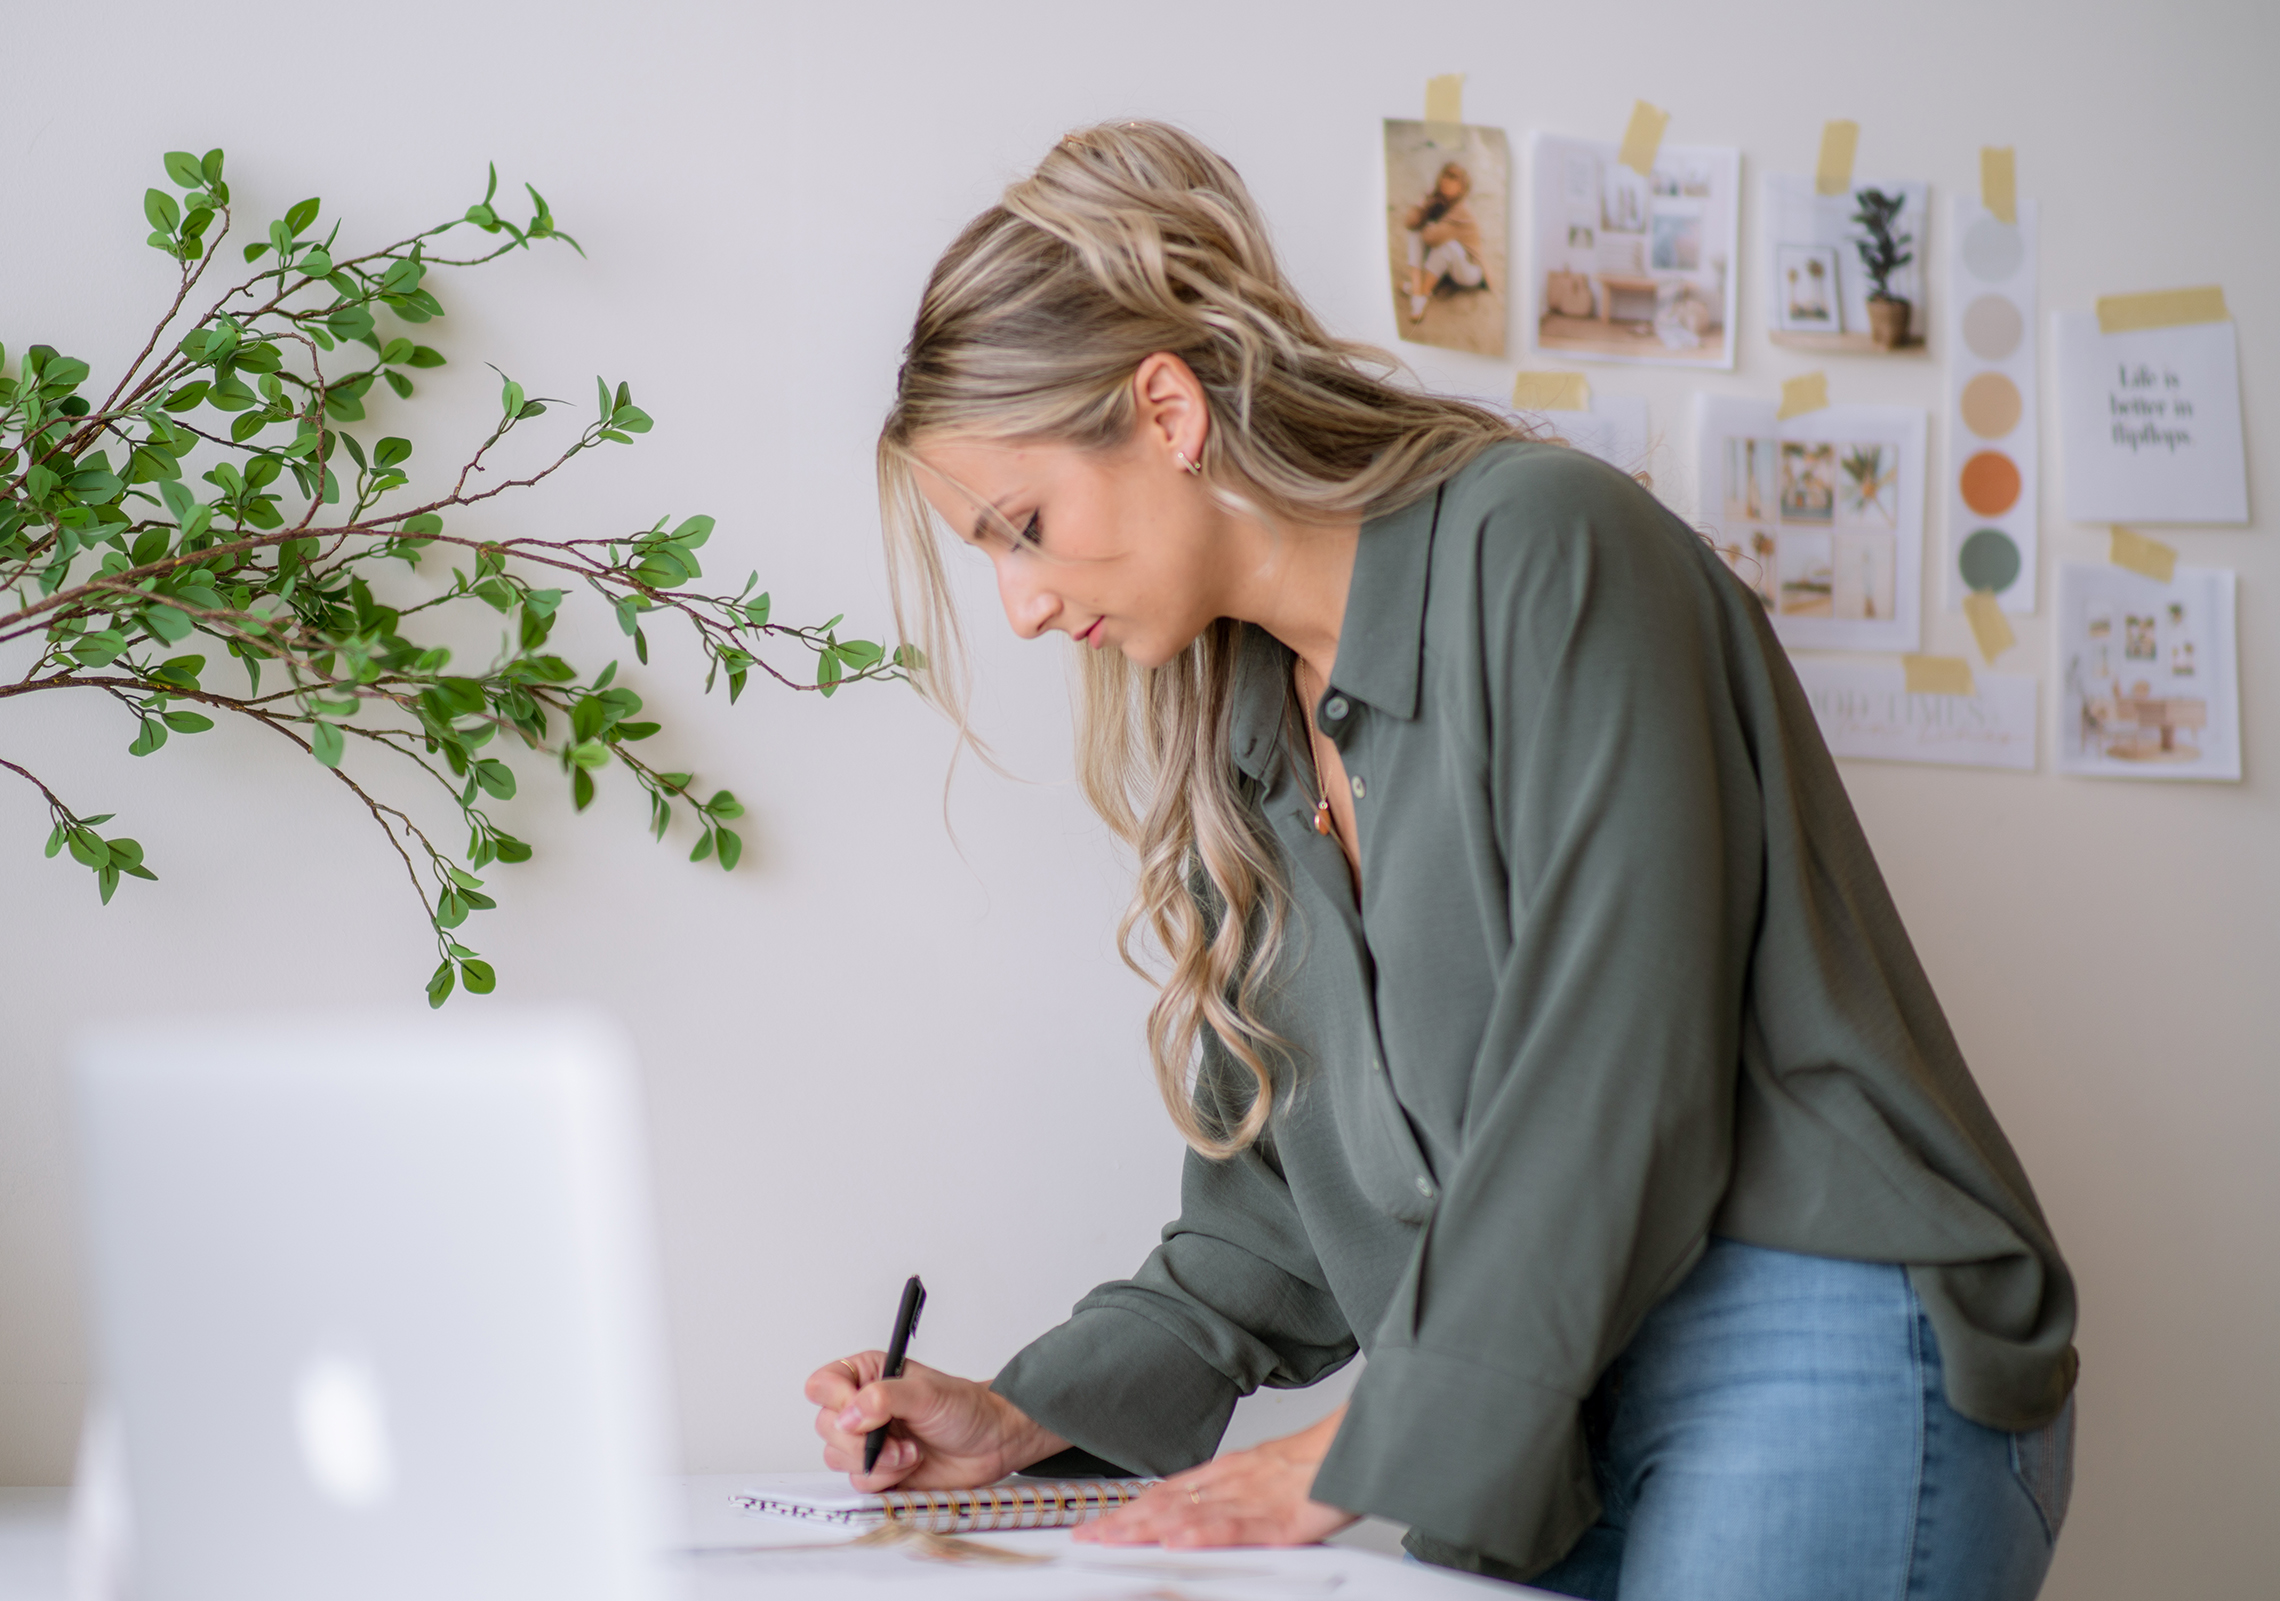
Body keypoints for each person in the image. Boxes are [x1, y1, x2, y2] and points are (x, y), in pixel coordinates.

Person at [804, 121, 2078, 1601]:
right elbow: (1276, 1223)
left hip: (1807, 1311)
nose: (1021, 606)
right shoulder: (1243, 740)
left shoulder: (1548, 548)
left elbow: (1619, 1061)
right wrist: (1023, 1411)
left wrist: (1370, 1440)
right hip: (1550, 1408)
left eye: (1024, 528)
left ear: (1165, 409)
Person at [1399, 159, 1486, 322]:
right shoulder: (1439, 201)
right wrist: (1424, 201)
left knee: (1446, 245)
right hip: (1450, 269)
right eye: (1445, 177)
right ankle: (1417, 290)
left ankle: (1421, 297)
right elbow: (1410, 223)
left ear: (1462, 188)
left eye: (1453, 179)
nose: (1446, 182)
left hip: (1469, 273)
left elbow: (1431, 238)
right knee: (1414, 233)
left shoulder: (1460, 210)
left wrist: (1427, 213)